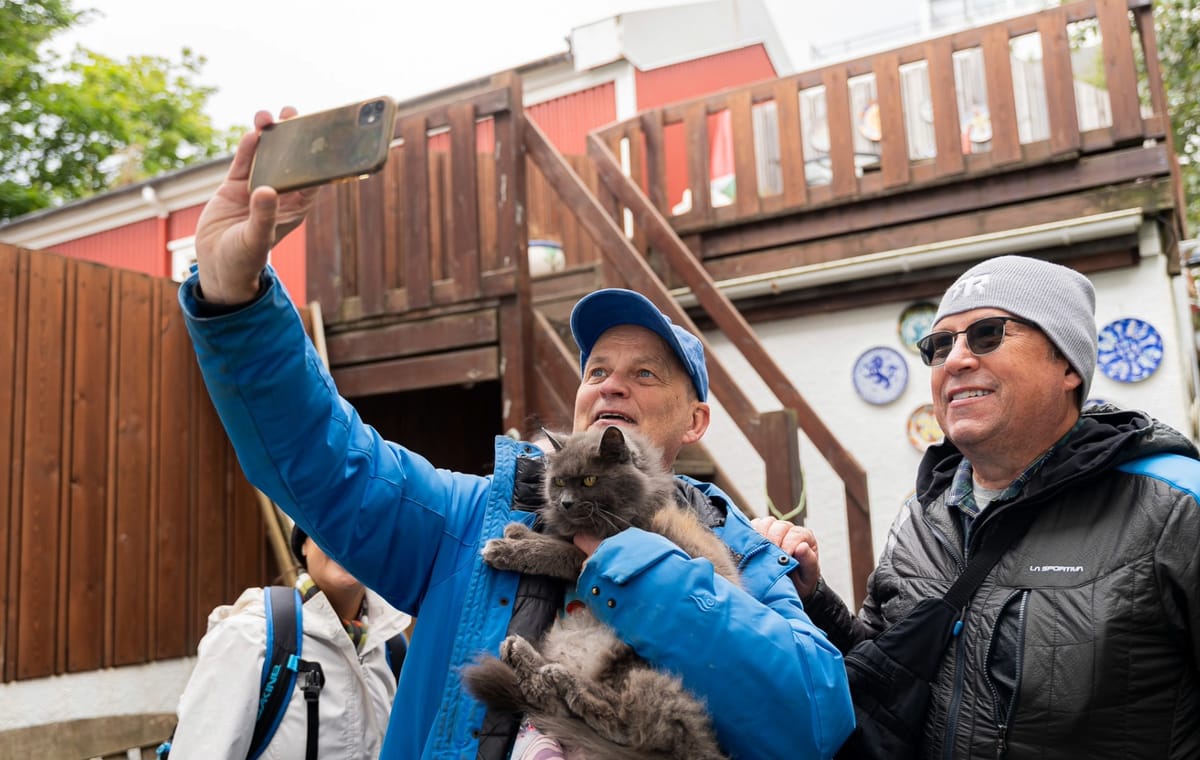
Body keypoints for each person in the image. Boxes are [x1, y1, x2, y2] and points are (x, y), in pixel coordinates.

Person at [176, 107, 855, 759]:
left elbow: (812, 719)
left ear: (695, 421)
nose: (612, 385)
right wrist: (236, 303)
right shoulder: (473, 520)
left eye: (645, 374)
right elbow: (325, 460)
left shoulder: (747, 552)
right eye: (597, 371)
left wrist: (631, 564)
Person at [755, 254, 1200, 758]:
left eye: (987, 334)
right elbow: (890, 667)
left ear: (1068, 366)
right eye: (940, 344)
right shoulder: (923, 513)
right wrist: (813, 600)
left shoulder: (1173, 504)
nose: (956, 359)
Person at [167, 525, 412, 759]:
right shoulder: (251, 637)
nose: (348, 539)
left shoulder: (392, 648)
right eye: (331, 524)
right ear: (303, 544)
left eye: (366, 529)